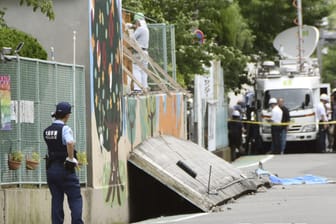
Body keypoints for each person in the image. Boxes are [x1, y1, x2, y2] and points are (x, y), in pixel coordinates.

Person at [43, 102, 83, 224]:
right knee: (75, 198)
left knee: (56, 200)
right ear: (67, 115)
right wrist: (71, 158)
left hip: (51, 169)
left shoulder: (47, 131)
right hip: (65, 168)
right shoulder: (65, 128)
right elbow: (70, 143)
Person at [131, 12, 150, 93]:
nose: (135, 23)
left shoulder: (140, 29)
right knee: (143, 70)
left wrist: (129, 29)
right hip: (145, 52)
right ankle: (144, 87)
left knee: (136, 69)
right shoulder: (145, 28)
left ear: (138, 21)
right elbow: (137, 27)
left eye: (136, 21)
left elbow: (132, 38)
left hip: (138, 52)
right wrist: (132, 26)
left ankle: (137, 88)